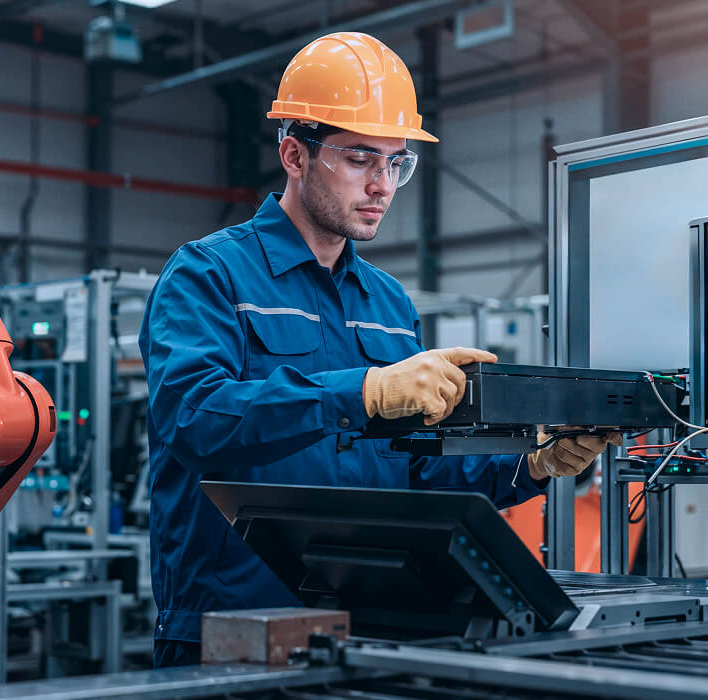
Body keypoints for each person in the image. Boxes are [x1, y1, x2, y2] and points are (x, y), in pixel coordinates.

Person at [139, 32, 619, 668]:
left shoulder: (388, 304)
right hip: (231, 629)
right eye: (361, 158)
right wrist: (360, 392)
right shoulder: (209, 275)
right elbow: (194, 420)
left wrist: (531, 465)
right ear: (294, 155)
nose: (383, 185)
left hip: (371, 630)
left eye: (397, 162)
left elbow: (415, 471)